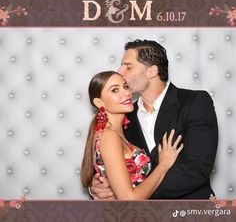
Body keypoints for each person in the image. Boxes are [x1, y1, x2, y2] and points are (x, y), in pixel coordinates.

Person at [90, 39, 218, 199]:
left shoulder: (194, 102)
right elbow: (111, 168)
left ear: (152, 71)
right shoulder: (123, 115)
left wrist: (129, 193)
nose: (119, 71)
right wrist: (101, 187)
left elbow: (197, 170)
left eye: (127, 67)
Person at [80, 71, 183, 200]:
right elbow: (129, 199)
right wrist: (163, 165)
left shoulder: (121, 130)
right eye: (115, 90)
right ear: (99, 102)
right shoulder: (109, 136)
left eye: (125, 87)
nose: (126, 93)